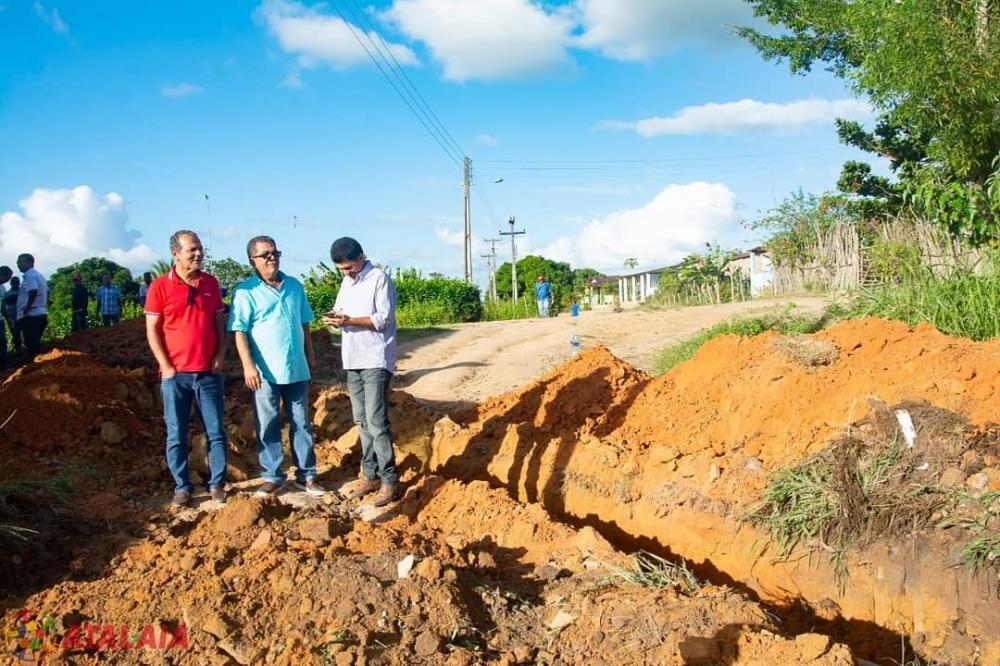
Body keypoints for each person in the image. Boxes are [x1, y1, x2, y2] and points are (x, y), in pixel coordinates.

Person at [228, 236, 323, 498]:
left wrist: (310, 354)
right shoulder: (246, 291)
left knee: (301, 421)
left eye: (274, 252)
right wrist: (248, 366)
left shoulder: (294, 286)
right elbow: (239, 331)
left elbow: (305, 322)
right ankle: (272, 476)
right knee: (267, 422)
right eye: (265, 255)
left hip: (296, 367)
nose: (272, 258)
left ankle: (307, 475)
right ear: (252, 261)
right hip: (265, 371)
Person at [144, 230, 228, 507]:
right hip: (175, 376)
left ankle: (217, 484)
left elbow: (219, 324)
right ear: (175, 254)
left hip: (208, 373)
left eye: (200, 249)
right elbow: (153, 331)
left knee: (215, 431)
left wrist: (219, 355)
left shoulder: (211, 284)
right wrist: (165, 365)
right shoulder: (159, 287)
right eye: (192, 250)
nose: (198, 254)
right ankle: (182, 487)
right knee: (177, 433)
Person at [322, 237, 399, 508]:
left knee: (377, 422)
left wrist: (349, 321)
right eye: (341, 269)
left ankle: (389, 479)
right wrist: (335, 319)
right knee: (362, 421)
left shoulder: (379, 279)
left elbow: (383, 319)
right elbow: (342, 314)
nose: (346, 272)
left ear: (361, 256)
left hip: (375, 358)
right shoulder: (346, 283)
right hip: (352, 358)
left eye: (349, 267)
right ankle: (370, 475)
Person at [15, 254, 48, 359]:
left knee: (31, 343)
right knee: (34, 341)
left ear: (29, 263)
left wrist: (27, 307)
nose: (18, 264)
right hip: (41, 312)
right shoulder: (39, 275)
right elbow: (47, 291)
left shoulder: (30, 276)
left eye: (20, 262)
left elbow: (33, 291)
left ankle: (37, 366)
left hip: (31, 315)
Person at [2, 276, 21, 352]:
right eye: (13, 282)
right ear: (11, 283)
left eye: (16, 282)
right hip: (12, 317)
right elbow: (4, 306)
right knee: (15, 335)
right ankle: (18, 350)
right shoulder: (6, 294)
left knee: (27, 334)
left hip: (22, 316)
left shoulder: (22, 292)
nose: (15, 283)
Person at [0, 266, 10, 370]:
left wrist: (8, 319)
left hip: (0, 320)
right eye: (8, 278)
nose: (8, 281)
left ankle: (4, 366)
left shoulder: (2, 288)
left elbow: (2, 305)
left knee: (2, 342)